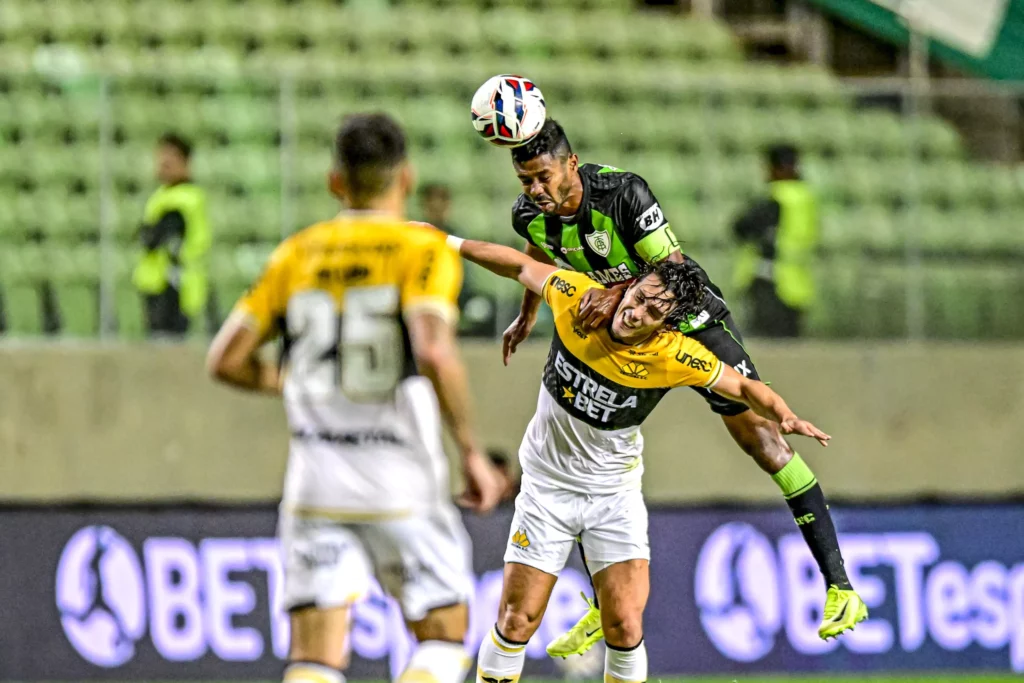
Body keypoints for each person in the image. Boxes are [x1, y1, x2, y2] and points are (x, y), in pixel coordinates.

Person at [499, 120, 857, 655]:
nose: (535, 191)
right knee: (580, 443)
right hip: (622, 329)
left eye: (542, 177)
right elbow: (539, 259)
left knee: (763, 442)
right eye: (525, 180)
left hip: (686, 320)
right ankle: (604, 605)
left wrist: (618, 290)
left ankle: (841, 588)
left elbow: (672, 270)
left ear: (570, 163)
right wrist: (528, 315)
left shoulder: (622, 192)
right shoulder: (529, 214)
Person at [445, 234, 860, 683]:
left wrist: (783, 413)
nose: (635, 312)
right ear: (631, 283)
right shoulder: (577, 297)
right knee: (516, 620)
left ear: (665, 325)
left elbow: (741, 386)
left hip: (614, 495)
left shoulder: (674, 354)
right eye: (639, 297)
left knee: (624, 625)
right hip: (547, 488)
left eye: (652, 313)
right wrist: (446, 242)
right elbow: (516, 264)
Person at [206, 113, 504, 683]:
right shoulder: (421, 247)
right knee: (444, 637)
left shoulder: (298, 253)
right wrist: (469, 449)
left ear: (334, 181)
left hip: (315, 482)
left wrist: (289, 382)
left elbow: (226, 360)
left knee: (315, 657)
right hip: (401, 479)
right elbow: (435, 350)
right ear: (407, 178)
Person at [732, 143, 819, 338]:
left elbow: (741, 228)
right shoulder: (807, 197)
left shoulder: (776, 198)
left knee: (768, 344)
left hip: (772, 280)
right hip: (798, 282)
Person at [133, 133, 211, 337]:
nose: (162, 164)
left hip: (173, 289)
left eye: (170, 160)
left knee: (168, 348)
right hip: (157, 285)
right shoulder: (163, 195)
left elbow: (155, 239)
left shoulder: (184, 200)